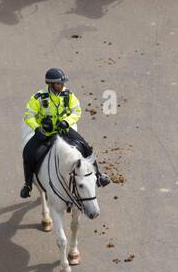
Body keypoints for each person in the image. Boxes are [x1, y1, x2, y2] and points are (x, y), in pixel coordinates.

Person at [19, 68, 110, 199]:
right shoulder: (38, 97)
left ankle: (99, 176)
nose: (62, 86)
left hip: (64, 129)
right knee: (28, 152)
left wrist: (67, 122)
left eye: (62, 83)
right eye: (58, 84)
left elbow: (76, 111)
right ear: (50, 84)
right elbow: (29, 115)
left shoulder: (68, 94)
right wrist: (38, 128)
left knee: (86, 147)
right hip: (46, 132)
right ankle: (28, 185)